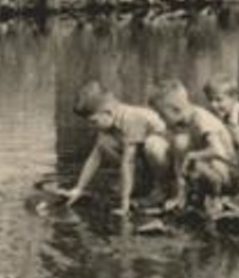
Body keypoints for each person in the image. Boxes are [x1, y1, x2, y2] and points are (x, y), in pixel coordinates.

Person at [61, 82, 173, 215]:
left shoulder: (130, 118)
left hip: (170, 158)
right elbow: (94, 157)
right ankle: (143, 184)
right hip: (146, 159)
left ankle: (163, 189)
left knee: (152, 145)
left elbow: (128, 162)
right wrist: (78, 189)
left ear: (108, 112)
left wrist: (124, 203)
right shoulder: (109, 120)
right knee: (104, 144)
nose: (91, 126)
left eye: (93, 121)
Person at [151, 79, 239, 211]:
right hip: (209, 167)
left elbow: (218, 151)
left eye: (162, 115)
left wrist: (192, 156)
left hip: (228, 172)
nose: (160, 118)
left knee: (191, 158)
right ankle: (183, 197)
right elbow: (179, 158)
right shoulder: (182, 123)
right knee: (180, 143)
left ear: (175, 110)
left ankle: (215, 198)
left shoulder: (200, 118)